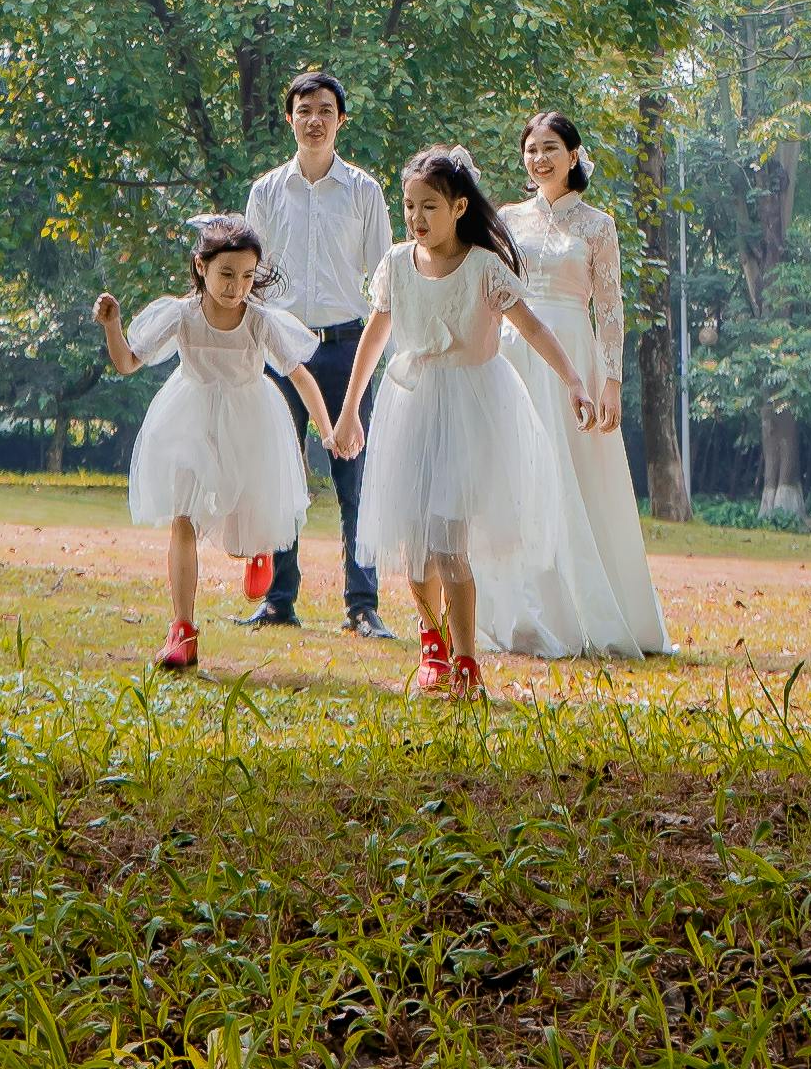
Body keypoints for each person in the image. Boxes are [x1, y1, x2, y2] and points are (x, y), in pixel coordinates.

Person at [332, 143, 590, 701]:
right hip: (412, 404)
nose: (417, 219)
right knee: (418, 543)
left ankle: (467, 660)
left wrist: (572, 378)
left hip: (472, 405)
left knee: (449, 542)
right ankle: (433, 646)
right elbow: (374, 338)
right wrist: (351, 408)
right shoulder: (397, 265)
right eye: (409, 207)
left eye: (429, 206)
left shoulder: (482, 266)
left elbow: (533, 326)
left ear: (458, 209)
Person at [96, 215, 351, 671]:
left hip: (249, 418)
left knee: (245, 517)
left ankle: (257, 551)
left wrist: (327, 429)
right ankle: (182, 629)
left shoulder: (260, 322)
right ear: (202, 267)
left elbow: (300, 375)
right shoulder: (181, 314)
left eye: (247, 277)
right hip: (190, 416)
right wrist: (113, 325)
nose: (236, 287)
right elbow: (127, 363)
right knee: (184, 516)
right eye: (226, 275)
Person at [498, 110, 671, 658]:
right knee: (515, 474)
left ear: (573, 156)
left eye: (550, 148)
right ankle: (519, 613)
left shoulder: (598, 225)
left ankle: (591, 612)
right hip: (515, 349)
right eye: (531, 149)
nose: (540, 158)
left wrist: (612, 381)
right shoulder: (507, 218)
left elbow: (611, 308)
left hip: (574, 347)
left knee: (574, 476)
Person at [242, 68, 395, 634]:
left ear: (341, 120)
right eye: (304, 109)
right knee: (280, 473)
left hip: (345, 346)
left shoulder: (364, 192)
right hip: (280, 347)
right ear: (290, 119)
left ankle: (363, 604)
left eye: (325, 110)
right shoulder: (264, 192)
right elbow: (251, 277)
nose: (314, 119)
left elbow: (383, 282)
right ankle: (279, 599)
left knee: (354, 476)